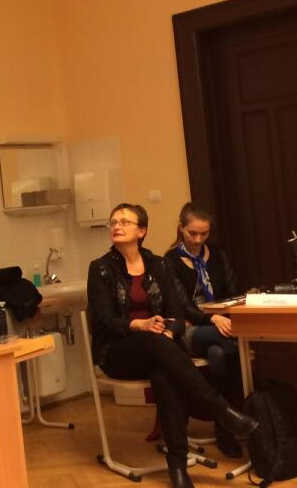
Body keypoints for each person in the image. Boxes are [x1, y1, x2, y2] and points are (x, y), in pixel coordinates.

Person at [87, 203, 257, 488]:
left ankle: (178, 467)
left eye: (125, 221)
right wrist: (139, 325)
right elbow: (105, 319)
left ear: (142, 231)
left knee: (164, 373)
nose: (117, 226)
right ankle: (221, 410)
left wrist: (168, 332)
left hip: (159, 347)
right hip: (118, 351)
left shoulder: (158, 265)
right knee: (156, 346)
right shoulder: (100, 268)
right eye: (114, 221)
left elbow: (176, 314)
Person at [165, 202, 243, 457]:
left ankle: (223, 424)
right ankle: (232, 420)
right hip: (192, 328)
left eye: (204, 234)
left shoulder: (217, 254)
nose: (198, 239)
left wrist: (224, 315)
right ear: (181, 228)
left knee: (219, 353)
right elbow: (182, 306)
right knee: (232, 344)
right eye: (192, 233)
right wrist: (212, 319)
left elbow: (232, 291)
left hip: (221, 326)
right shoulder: (170, 261)